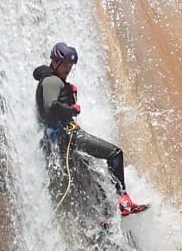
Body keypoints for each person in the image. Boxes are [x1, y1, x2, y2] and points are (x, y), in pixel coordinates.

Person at [32, 41, 147, 216]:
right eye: (65, 65)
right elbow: (50, 106)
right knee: (115, 154)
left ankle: (105, 217)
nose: (68, 68)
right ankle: (123, 199)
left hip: (59, 140)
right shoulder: (52, 80)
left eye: (70, 65)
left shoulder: (50, 79)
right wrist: (71, 109)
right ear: (55, 62)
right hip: (69, 136)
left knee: (95, 178)